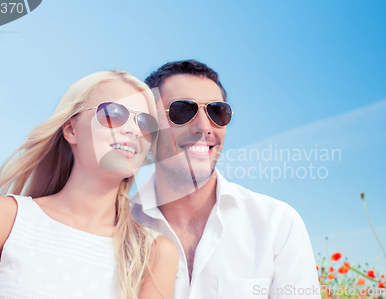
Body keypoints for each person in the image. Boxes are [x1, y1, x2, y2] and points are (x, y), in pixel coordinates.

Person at [0, 70, 178, 299]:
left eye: (145, 123)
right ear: (71, 129)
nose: (134, 130)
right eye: (113, 114)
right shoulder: (6, 217)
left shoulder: (154, 252)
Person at [131, 60, 320, 298]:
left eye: (216, 112)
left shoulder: (277, 225)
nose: (203, 127)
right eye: (182, 111)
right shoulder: (118, 227)